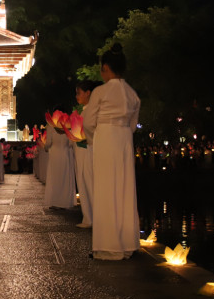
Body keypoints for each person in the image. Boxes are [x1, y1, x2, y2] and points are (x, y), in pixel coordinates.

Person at [83, 44, 141, 260]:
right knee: (125, 188)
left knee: (106, 188)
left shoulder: (101, 91)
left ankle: (108, 245)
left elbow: (88, 122)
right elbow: (133, 125)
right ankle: (127, 242)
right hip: (125, 139)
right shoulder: (132, 94)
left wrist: (93, 138)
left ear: (105, 68)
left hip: (106, 138)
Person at [74, 80, 101, 228]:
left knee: (89, 183)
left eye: (79, 93)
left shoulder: (92, 111)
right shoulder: (85, 111)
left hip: (88, 151)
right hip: (82, 151)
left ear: (88, 93)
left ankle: (92, 218)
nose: (77, 96)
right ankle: (88, 216)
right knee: (84, 183)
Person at [43, 104, 76, 209]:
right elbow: (71, 143)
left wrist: (45, 148)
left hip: (54, 154)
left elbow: (48, 143)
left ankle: (55, 201)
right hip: (65, 153)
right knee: (65, 178)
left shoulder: (51, 127)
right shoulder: (69, 126)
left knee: (55, 178)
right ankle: (65, 202)